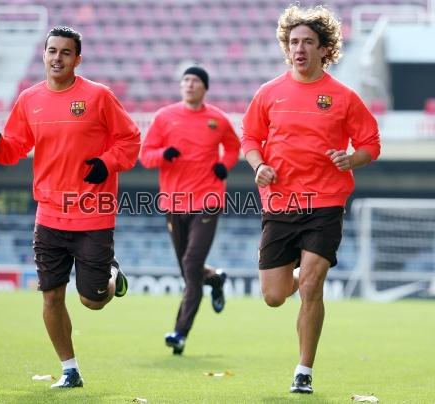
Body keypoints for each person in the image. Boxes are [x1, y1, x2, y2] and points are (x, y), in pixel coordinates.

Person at [0, 26, 141, 388]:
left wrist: (107, 162)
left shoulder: (99, 97)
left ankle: (112, 278)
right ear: (44, 54)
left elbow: (130, 138)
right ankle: (70, 369)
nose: (57, 58)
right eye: (52, 51)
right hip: (50, 214)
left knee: (92, 301)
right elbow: (15, 148)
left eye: (65, 53)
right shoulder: (29, 99)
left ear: (77, 59)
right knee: (51, 295)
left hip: (93, 212)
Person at [241, 5, 381, 394]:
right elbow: (250, 138)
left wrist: (350, 158)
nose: (299, 49)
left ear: (325, 49)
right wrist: (258, 166)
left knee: (312, 286)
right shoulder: (268, 93)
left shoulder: (343, 97)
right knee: (273, 296)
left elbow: (370, 143)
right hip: (280, 203)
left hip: (325, 201)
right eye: (293, 42)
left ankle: (304, 370)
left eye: (308, 42)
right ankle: (300, 273)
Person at [140, 66, 241, 355]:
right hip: (173, 203)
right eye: (185, 80)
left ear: (204, 87)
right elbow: (146, 156)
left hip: (207, 200)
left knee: (191, 263)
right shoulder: (164, 117)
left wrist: (226, 164)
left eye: (195, 80)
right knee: (190, 271)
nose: (189, 84)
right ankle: (216, 279)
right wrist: (163, 154)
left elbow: (234, 148)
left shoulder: (217, 119)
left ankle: (180, 333)